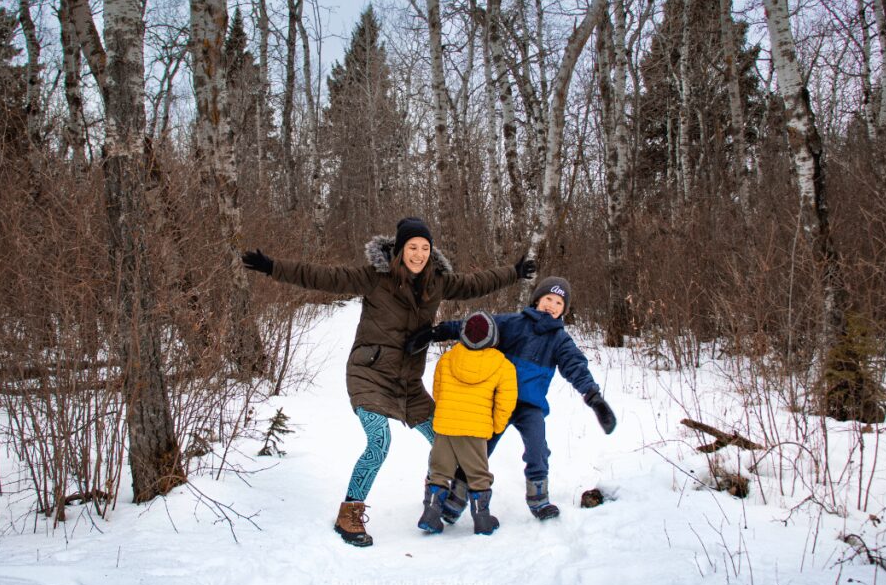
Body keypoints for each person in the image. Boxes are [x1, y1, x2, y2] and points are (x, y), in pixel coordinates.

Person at [242, 217, 536, 547]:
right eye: (413, 247)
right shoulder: (374, 277)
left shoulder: (437, 282)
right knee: (379, 441)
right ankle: (349, 512)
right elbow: (321, 276)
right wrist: (270, 266)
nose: (419, 254)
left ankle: (434, 500)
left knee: (444, 437)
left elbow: (475, 283)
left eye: (425, 248)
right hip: (369, 373)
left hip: (408, 383)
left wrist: (514, 271)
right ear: (399, 250)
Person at [407, 275, 616, 523]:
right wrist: (437, 332)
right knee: (478, 451)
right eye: (548, 298)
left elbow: (576, 367)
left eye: (559, 303)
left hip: (531, 407)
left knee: (538, 449)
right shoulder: (514, 323)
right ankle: (456, 498)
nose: (552, 305)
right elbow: (475, 325)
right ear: (537, 299)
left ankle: (539, 500)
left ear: (564, 311)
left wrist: (594, 398)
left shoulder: (560, 340)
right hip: (497, 403)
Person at [418, 311, 517, 536]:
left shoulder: (448, 358)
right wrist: (496, 427)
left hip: (445, 426)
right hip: (476, 429)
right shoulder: (503, 366)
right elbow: (505, 403)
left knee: (439, 471)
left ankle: (430, 515)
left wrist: (446, 413)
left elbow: (438, 390)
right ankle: (482, 520)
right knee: (478, 475)